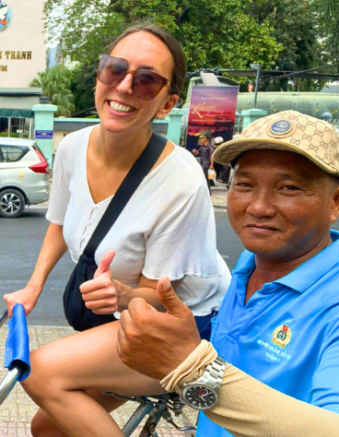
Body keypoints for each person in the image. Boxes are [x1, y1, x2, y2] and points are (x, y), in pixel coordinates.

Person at [3, 23, 230, 436]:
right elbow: (57, 223)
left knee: (37, 373)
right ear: (100, 76)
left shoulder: (181, 181)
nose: (124, 86)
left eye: (146, 81)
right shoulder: (72, 147)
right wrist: (32, 287)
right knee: (48, 429)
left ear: (166, 104)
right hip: (122, 319)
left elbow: (161, 300)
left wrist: (123, 294)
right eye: (115, 69)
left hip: (181, 325)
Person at [118, 110, 339, 437]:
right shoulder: (250, 264)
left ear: (335, 203)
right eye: (245, 185)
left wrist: (192, 368)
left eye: (289, 188)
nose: (259, 207)